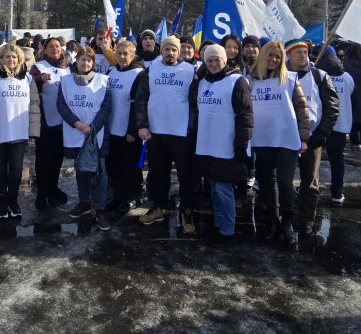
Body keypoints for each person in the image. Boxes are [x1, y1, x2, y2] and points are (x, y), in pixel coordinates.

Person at [189, 44, 253, 246]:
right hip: (207, 144)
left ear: (225, 60)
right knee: (214, 186)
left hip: (228, 145)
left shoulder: (237, 81)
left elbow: (246, 115)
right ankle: (218, 224)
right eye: (209, 60)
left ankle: (227, 230)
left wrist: (242, 143)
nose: (214, 64)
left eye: (217, 60)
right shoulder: (202, 83)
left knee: (224, 189)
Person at [135, 35, 198, 233]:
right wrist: (142, 125)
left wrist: (191, 127)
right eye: (166, 49)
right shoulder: (151, 69)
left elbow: (196, 104)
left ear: (179, 51)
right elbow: (141, 99)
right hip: (156, 133)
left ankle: (187, 211)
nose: (170, 53)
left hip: (181, 134)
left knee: (186, 175)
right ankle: (159, 206)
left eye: (174, 49)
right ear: (161, 50)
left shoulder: (190, 70)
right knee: (158, 173)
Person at [249, 41, 308, 245]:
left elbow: (302, 109)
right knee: (267, 182)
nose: (274, 60)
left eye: (278, 57)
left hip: (286, 139)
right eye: (271, 56)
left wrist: (304, 137)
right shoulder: (251, 81)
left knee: (285, 182)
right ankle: (271, 220)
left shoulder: (290, 79)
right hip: (262, 139)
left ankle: (287, 221)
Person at [0, 44, 40, 220]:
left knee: (16, 170)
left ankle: (13, 199)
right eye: (7, 57)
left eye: (14, 57)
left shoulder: (27, 80)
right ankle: (1, 199)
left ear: (19, 59)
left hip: (19, 133)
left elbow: (34, 106)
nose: (11, 60)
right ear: (1, 59)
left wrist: (34, 130)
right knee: (0, 169)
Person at [285, 39, 339, 237]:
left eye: (305, 51)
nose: (303, 55)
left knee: (310, 181)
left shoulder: (320, 76)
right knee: (285, 181)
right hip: (286, 139)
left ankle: (307, 220)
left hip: (312, 137)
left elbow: (332, 108)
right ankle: (286, 216)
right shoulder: (279, 76)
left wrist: (319, 136)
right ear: (289, 55)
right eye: (298, 52)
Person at [57, 46, 113, 230]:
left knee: (100, 171)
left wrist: (92, 127)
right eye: (83, 59)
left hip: (97, 134)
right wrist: (77, 124)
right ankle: (85, 202)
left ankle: (100, 207)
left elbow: (106, 107)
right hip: (77, 132)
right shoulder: (65, 81)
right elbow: (62, 106)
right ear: (77, 61)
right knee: (81, 168)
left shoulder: (103, 81)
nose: (86, 63)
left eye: (89, 60)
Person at [29, 37, 71, 208]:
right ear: (44, 49)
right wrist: (39, 81)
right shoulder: (38, 67)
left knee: (57, 158)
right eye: (51, 46)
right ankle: (42, 192)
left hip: (63, 122)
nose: (55, 49)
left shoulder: (67, 68)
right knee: (43, 159)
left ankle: (53, 187)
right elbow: (29, 89)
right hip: (45, 121)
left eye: (58, 46)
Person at [105, 40, 145, 212]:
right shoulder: (111, 71)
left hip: (128, 130)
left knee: (129, 166)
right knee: (113, 166)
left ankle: (133, 197)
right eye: (119, 53)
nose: (121, 57)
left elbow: (139, 104)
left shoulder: (139, 73)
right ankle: (118, 196)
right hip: (111, 129)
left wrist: (132, 130)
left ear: (132, 55)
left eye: (125, 54)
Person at [317, 46, 355, 207]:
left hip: (320, 123)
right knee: (337, 158)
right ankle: (337, 193)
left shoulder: (317, 75)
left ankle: (312, 187)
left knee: (314, 159)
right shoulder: (347, 77)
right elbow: (352, 95)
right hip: (341, 122)